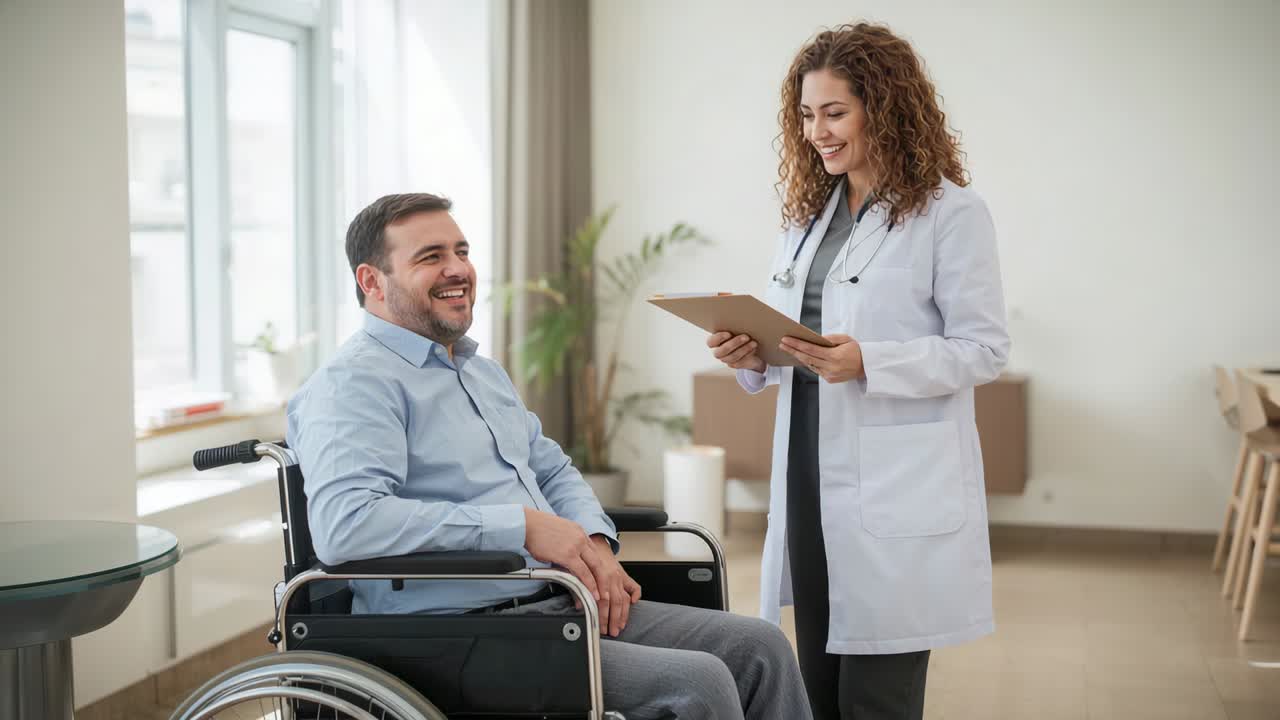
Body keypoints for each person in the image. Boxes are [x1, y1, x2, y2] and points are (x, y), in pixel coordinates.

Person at [288, 192, 812, 720]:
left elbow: (550, 467)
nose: (457, 269)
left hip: (556, 602)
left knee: (761, 647)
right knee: (697, 684)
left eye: (461, 251)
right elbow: (346, 525)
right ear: (371, 282)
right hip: (456, 631)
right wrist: (520, 526)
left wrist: (594, 540)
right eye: (430, 257)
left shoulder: (477, 370)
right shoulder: (353, 384)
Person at [706, 22, 1010, 720]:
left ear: (887, 108)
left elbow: (984, 349)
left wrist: (871, 360)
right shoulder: (808, 217)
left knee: (878, 694)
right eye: (808, 114)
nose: (817, 131)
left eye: (835, 112)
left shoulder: (951, 214)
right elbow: (797, 340)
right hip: (809, 472)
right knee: (815, 682)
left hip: (896, 482)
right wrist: (750, 351)